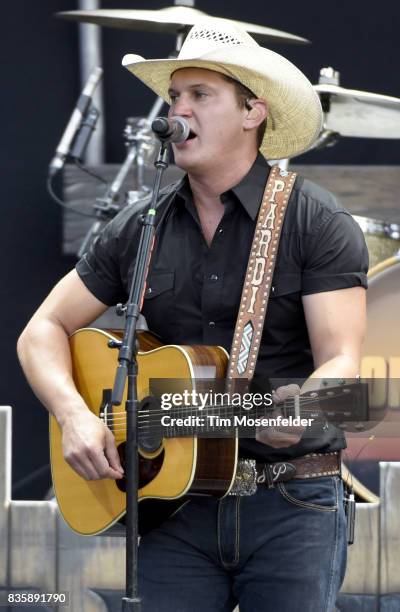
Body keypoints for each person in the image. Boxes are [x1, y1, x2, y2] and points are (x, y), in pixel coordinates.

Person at [17, 20, 368, 612]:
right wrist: (75, 415)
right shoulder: (140, 224)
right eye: (174, 97)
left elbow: (344, 365)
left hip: (289, 501)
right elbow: (41, 331)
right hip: (170, 504)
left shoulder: (314, 221)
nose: (177, 111)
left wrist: (306, 408)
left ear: (253, 112)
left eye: (200, 95)